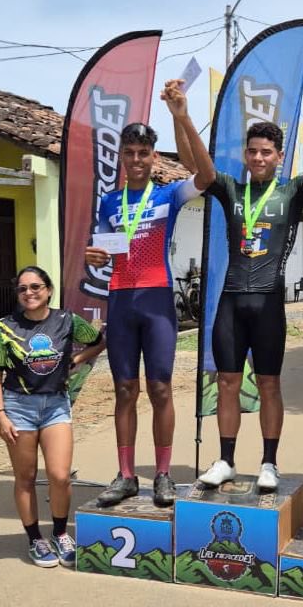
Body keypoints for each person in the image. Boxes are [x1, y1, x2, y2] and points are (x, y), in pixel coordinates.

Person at [163, 79, 303, 491]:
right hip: (231, 302)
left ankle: (269, 463)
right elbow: (196, 166)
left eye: (266, 152)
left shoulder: (291, 191)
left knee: (270, 383)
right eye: (252, 151)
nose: (258, 157)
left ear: (278, 157)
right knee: (227, 381)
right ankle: (225, 459)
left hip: (269, 302)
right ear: (245, 154)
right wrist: (181, 116)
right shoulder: (230, 189)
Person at [85, 120, 212, 508]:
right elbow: (102, 248)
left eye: (143, 153)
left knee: (160, 389)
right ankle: (125, 475)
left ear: (153, 157)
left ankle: (162, 474)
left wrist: (181, 114)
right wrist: (92, 256)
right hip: (121, 301)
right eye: (130, 153)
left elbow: (205, 177)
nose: (136, 159)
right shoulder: (109, 202)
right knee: (124, 390)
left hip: (157, 301)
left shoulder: (169, 195)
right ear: (121, 157)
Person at [0, 266, 104, 567]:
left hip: (55, 406)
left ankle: (61, 533)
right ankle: (35, 539)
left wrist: (75, 361)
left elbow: (97, 340)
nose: (29, 293)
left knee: (60, 476)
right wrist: (0, 414)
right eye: (23, 289)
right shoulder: (5, 326)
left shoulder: (66, 320)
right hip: (18, 408)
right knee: (25, 478)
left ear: (48, 290)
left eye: (36, 286)